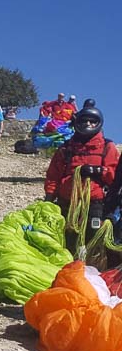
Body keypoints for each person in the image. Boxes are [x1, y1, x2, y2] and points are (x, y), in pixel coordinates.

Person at [44, 103, 117, 255]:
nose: (88, 124)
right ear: (77, 122)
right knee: (68, 239)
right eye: (84, 121)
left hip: (94, 203)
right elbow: (53, 175)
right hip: (67, 202)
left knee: (93, 238)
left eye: (92, 121)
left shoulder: (107, 147)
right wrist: (49, 198)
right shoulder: (66, 148)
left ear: (99, 123)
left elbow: (115, 175)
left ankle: (90, 265)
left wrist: (98, 171)